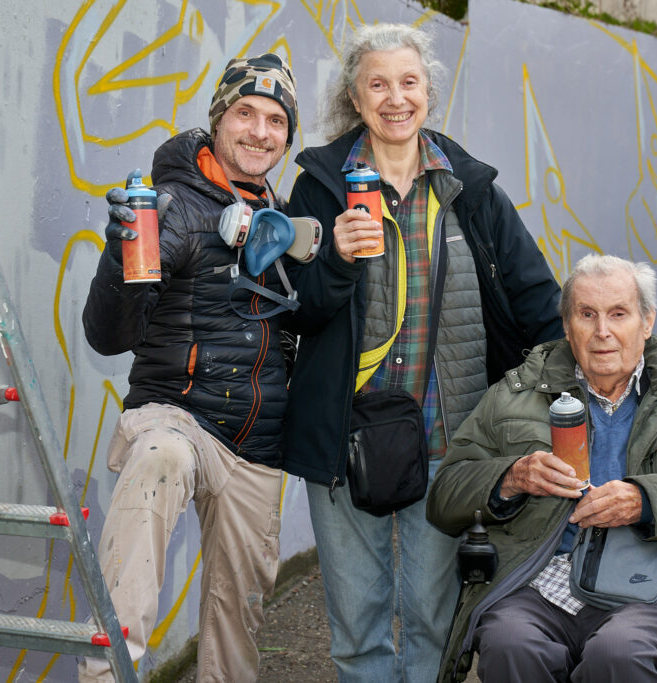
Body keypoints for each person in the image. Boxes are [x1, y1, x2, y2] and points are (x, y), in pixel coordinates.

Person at [280, 23, 564, 682]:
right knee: (359, 631)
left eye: (408, 82)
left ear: (429, 93)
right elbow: (298, 309)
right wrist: (338, 260)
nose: (395, 97)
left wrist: (550, 408)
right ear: (356, 95)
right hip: (345, 446)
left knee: (437, 623)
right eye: (377, 83)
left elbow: (538, 303)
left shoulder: (472, 190)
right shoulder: (319, 188)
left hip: (450, 442)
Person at [426, 253, 657, 683]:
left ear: (646, 323)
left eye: (618, 314)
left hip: (650, 583)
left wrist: (646, 500)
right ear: (568, 326)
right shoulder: (516, 395)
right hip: (539, 581)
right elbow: (445, 495)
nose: (603, 332)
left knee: (620, 653)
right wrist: (510, 477)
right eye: (586, 314)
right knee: (511, 643)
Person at [78, 53, 299, 683]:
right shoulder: (174, 205)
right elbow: (108, 334)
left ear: (288, 136)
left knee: (237, 633)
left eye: (276, 121)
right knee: (162, 458)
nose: (259, 131)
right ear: (218, 119)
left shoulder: (282, 218)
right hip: (177, 418)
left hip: (256, 448)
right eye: (245, 113)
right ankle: (107, 675)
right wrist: (122, 252)